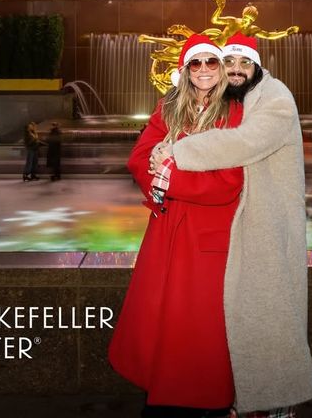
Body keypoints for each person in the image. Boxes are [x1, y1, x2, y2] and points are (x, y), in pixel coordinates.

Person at [150, 33, 312, 417]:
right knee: (250, 313)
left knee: (273, 313)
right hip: (248, 217)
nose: (236, 70)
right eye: (229, 64)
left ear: (257, 65)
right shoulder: (238, 99)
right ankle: (250, 402)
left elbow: (245, 143)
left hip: (270, 219)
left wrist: (177, 152)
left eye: (244, 63)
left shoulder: (275, 96)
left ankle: (277, 405)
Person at [109, 33, 243, 417]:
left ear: (222, 68)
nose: (203, 70)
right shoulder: (169, 106)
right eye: (195, 63)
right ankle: (165, 392)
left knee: (203, 322)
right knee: (161, 316)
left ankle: (212, 397)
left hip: (209, 233)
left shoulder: (236, 112)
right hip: (167, 230)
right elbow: (138, 157)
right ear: (185, 71)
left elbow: (230, 178)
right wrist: (157, 165)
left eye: (211, 62)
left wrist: (171, 171)